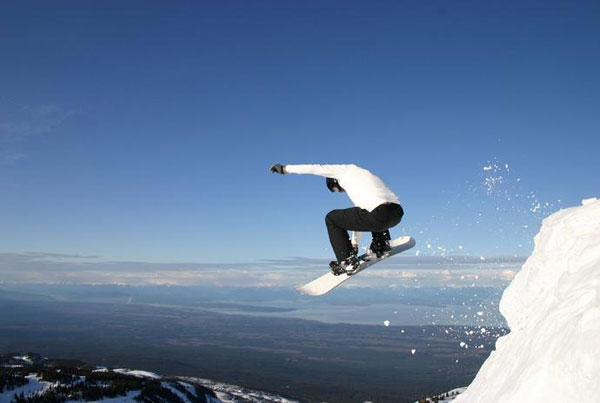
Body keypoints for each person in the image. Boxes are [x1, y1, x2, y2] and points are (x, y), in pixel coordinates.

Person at [270, 163, 404, 275]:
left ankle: (346, 262)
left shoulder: (342, 171)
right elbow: (360, 218)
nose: (340, 191)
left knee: (331, 218)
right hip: (396, 213)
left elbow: (315, 168)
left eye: (335, 188)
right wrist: (354, 245)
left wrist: (285, 169)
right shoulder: (363, 175)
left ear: (334, 180)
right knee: (370, 213)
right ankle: (381, 245)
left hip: (378, 214)